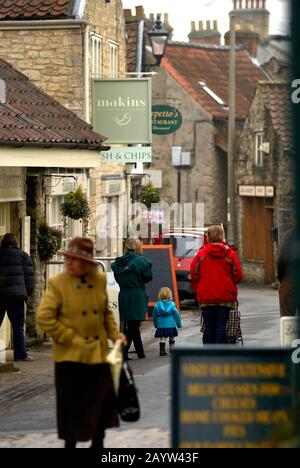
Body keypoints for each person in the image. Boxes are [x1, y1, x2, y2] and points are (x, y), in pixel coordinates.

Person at [37, 237, 126, 449]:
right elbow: (44, 317)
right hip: (70, 357)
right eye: (68, 259)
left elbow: (105, 313)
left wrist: (115, 335)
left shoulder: (99, 280)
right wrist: (70, 338)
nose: (69, 264)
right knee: (73, 409)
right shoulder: (58, 284)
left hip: (97, 354)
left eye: (74, 260)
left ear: (86, 262)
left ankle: (98, 445)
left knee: (100, 408)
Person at [190, 225, 243, 344]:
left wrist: (201, 283)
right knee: (221, 326)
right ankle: (220, 356)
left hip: (206, 296)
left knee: (208, 326)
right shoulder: (230, 254)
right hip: (225, 297)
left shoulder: (201, 254)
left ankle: (208, 355)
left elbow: (194, 273)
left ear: (208, 237)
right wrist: (230, 283)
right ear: (221, 236)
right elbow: (238, 275)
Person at [112, 237, 153, 360]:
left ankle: (140, 352)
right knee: (133, 326)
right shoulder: (141, 261)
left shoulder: (118, 263)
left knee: (132, 324)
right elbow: (148, 277)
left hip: (124, 294)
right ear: (138, 247)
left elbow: (118, 279)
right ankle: (122, 353)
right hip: (136, 294)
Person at [0, 233, 34, 361]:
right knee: (18, 326)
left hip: (1, 295)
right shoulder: (23, 256)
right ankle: (20, 355)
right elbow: (29, 278)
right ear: (16, 243)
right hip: (17, 296)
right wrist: (27, 293)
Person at [152, 287, 182, 356]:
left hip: (161, 325)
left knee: (162, 337)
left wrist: (156, 325)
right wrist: (179, 324)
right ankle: (172, 350)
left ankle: (162, 351)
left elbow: (154, 316)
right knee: (172, 337)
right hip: (171, 324)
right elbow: (176, 314)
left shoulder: (157, 305)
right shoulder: (172, 304)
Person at [277, 227, 297, 317]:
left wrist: (281, 277)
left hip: (290, 279)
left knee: (288, 319)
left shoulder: (290, 235)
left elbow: (281, 259)